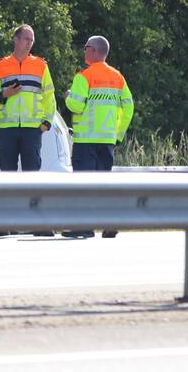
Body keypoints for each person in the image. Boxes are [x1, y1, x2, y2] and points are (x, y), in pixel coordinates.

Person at [62, 35, 135, 239]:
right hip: (107, 141)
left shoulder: (83, 76)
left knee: (84, 185)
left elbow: (76, 105)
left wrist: (68, 96)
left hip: (86, 140)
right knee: (103, 185)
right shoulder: (118, 77)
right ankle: (110, 222)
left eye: (85, 47)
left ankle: (83, 227)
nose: (84, 51)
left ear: (93, 50)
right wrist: (118, 136)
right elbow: (129, 108)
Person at [0, 25, 56, 172]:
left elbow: (49, 96)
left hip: (32, 130)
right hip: (6, 129)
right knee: (8, 176)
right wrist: (4, 94)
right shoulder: (0, 66)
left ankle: (32, 197)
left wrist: (47, 122)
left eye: (32, 40)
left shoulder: (41, 66)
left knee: (31, 176)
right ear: (15, 40)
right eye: (26, 39)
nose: (29, 43)